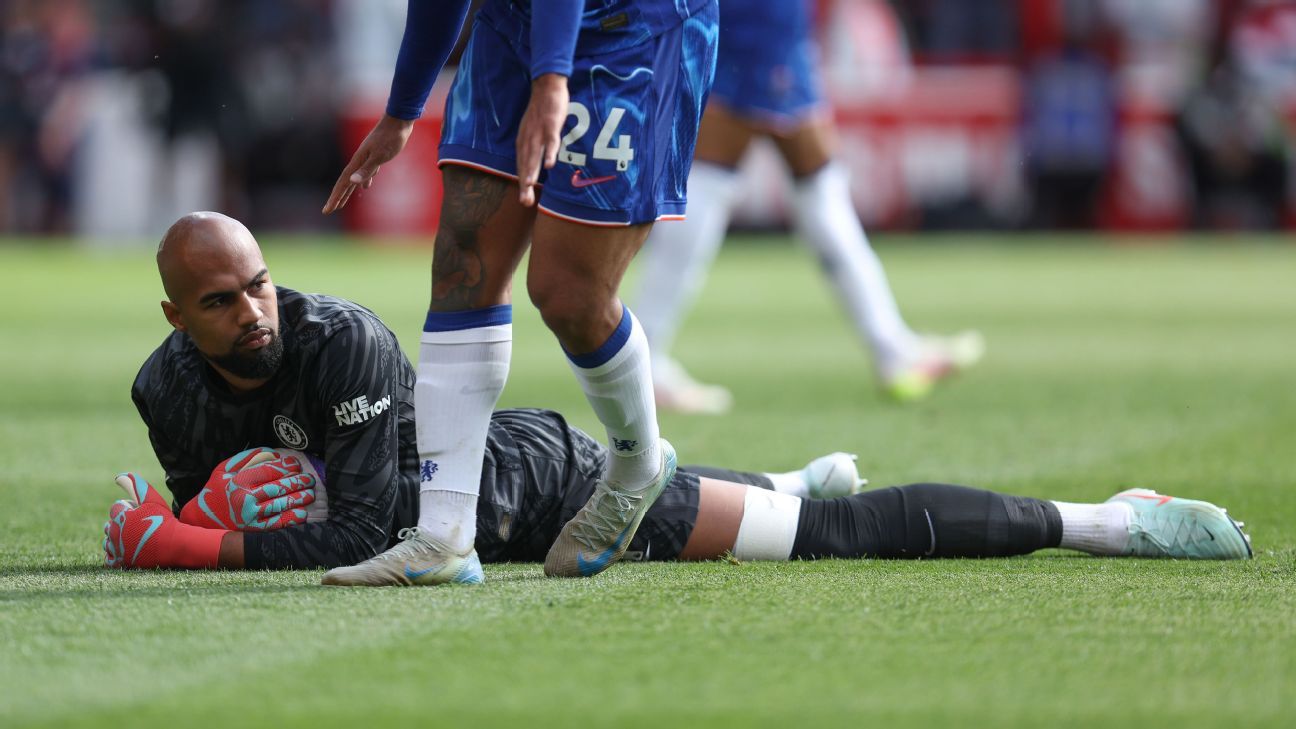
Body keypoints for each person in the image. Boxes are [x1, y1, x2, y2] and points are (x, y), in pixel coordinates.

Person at [102, 213, 1253, 577]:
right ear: (175, 321)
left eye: (257, 284)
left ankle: (1106, 518)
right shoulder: (168, 391)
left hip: (539, 490)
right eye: (219, 303)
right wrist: (191, 522)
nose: (252, 312)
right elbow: (223, 500)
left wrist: (179, 550)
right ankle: (784, 474)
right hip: (490, 493)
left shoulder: (338, 341)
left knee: (825, 540)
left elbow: (364, 531)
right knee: (777, 506)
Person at [317, 0, 719, 584]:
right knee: (462, 266)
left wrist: (552, 81)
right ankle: (443, 535)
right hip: (512, 28)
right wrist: (402, 110)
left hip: (630, 35)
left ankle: (638, 465)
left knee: (568, 294)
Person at [630, 0, 982, 414]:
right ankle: (646, 355)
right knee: (776, 180)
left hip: (761, 26)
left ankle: (893, 346)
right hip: (762, 26)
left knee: (791, 182)